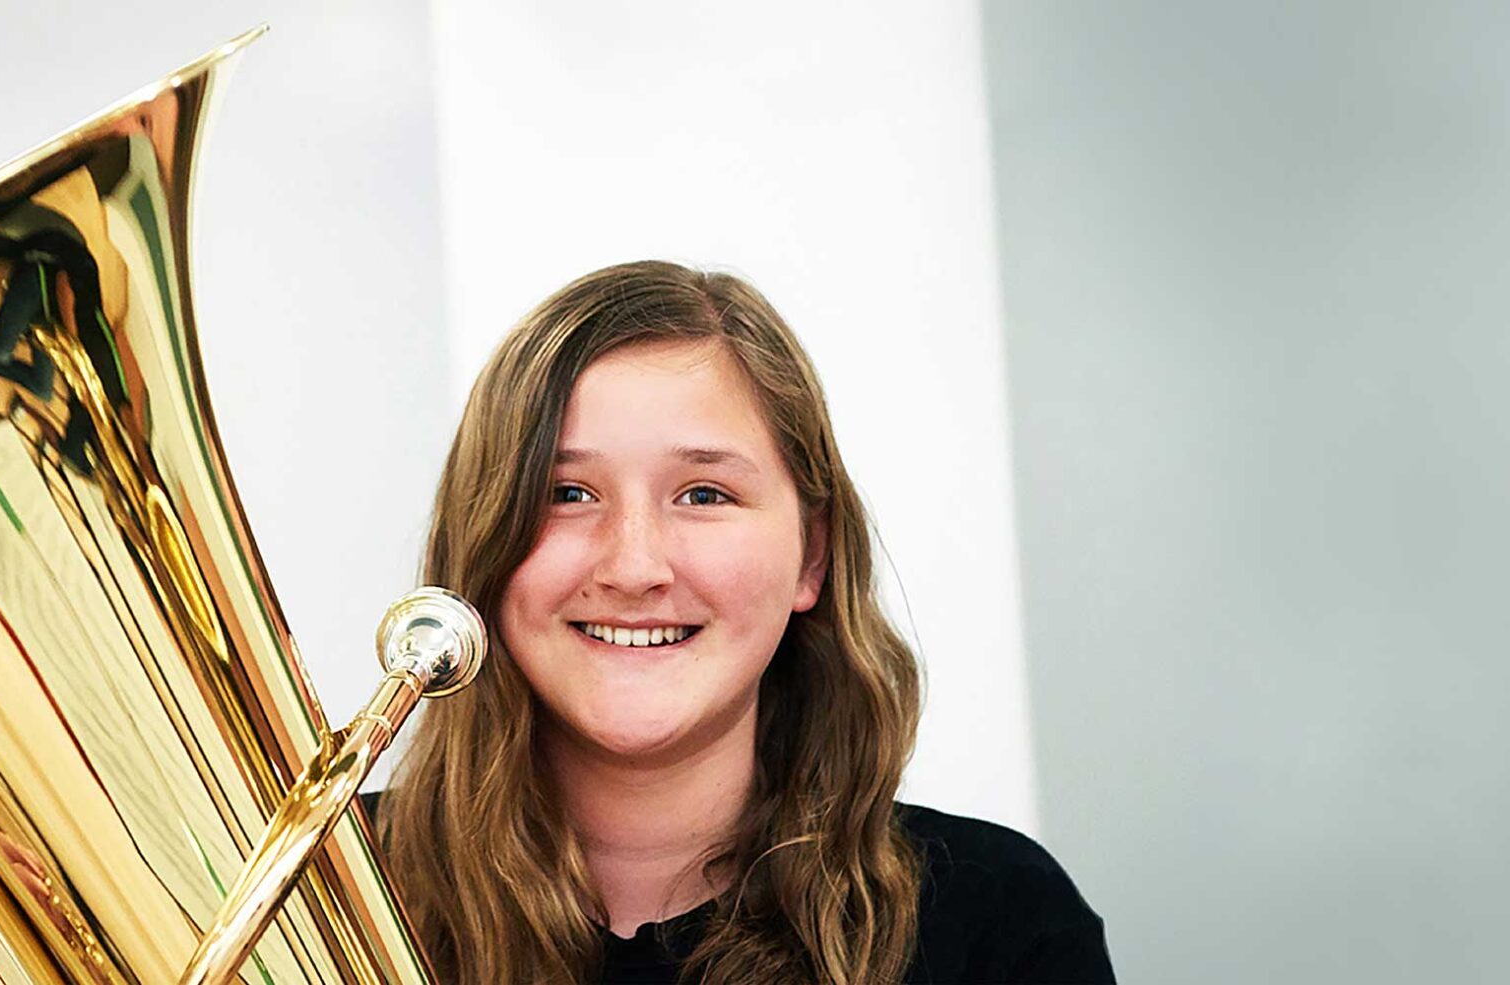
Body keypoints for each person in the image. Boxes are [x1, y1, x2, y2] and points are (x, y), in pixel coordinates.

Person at [369, 261, 1113, 983]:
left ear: (811, 558)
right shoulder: (316, 883)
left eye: (703, 494)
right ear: (481, 542)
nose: (633, 567)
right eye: (567, 491)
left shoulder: (1003, 922)